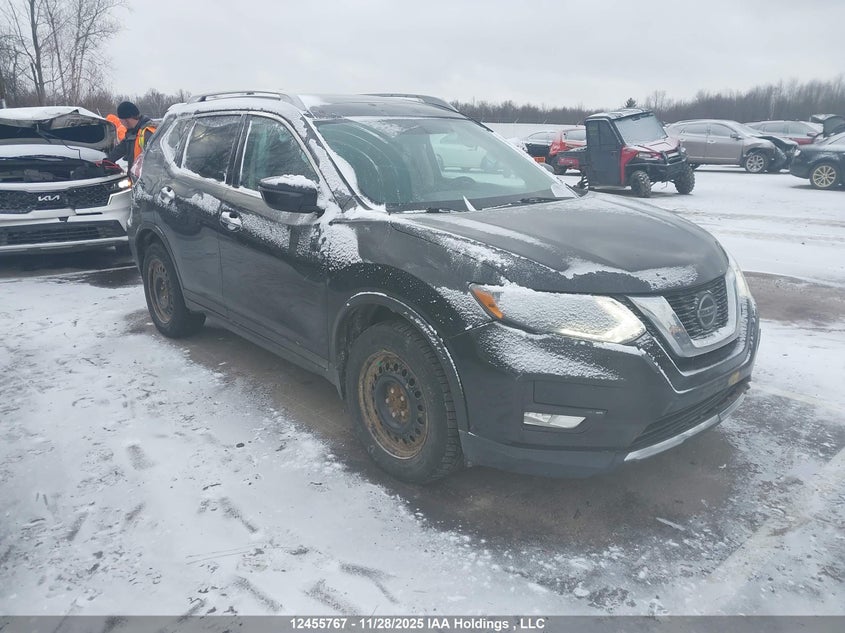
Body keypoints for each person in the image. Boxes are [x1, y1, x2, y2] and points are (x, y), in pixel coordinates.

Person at [107, 101, 156, 173]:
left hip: (146, 179)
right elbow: (121, 148)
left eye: (121, 121)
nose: (122, 124)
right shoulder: (131, 132)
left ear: (126, 120)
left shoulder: (148, 133)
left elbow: (156, 160)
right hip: (135, 177)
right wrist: (107, 161)